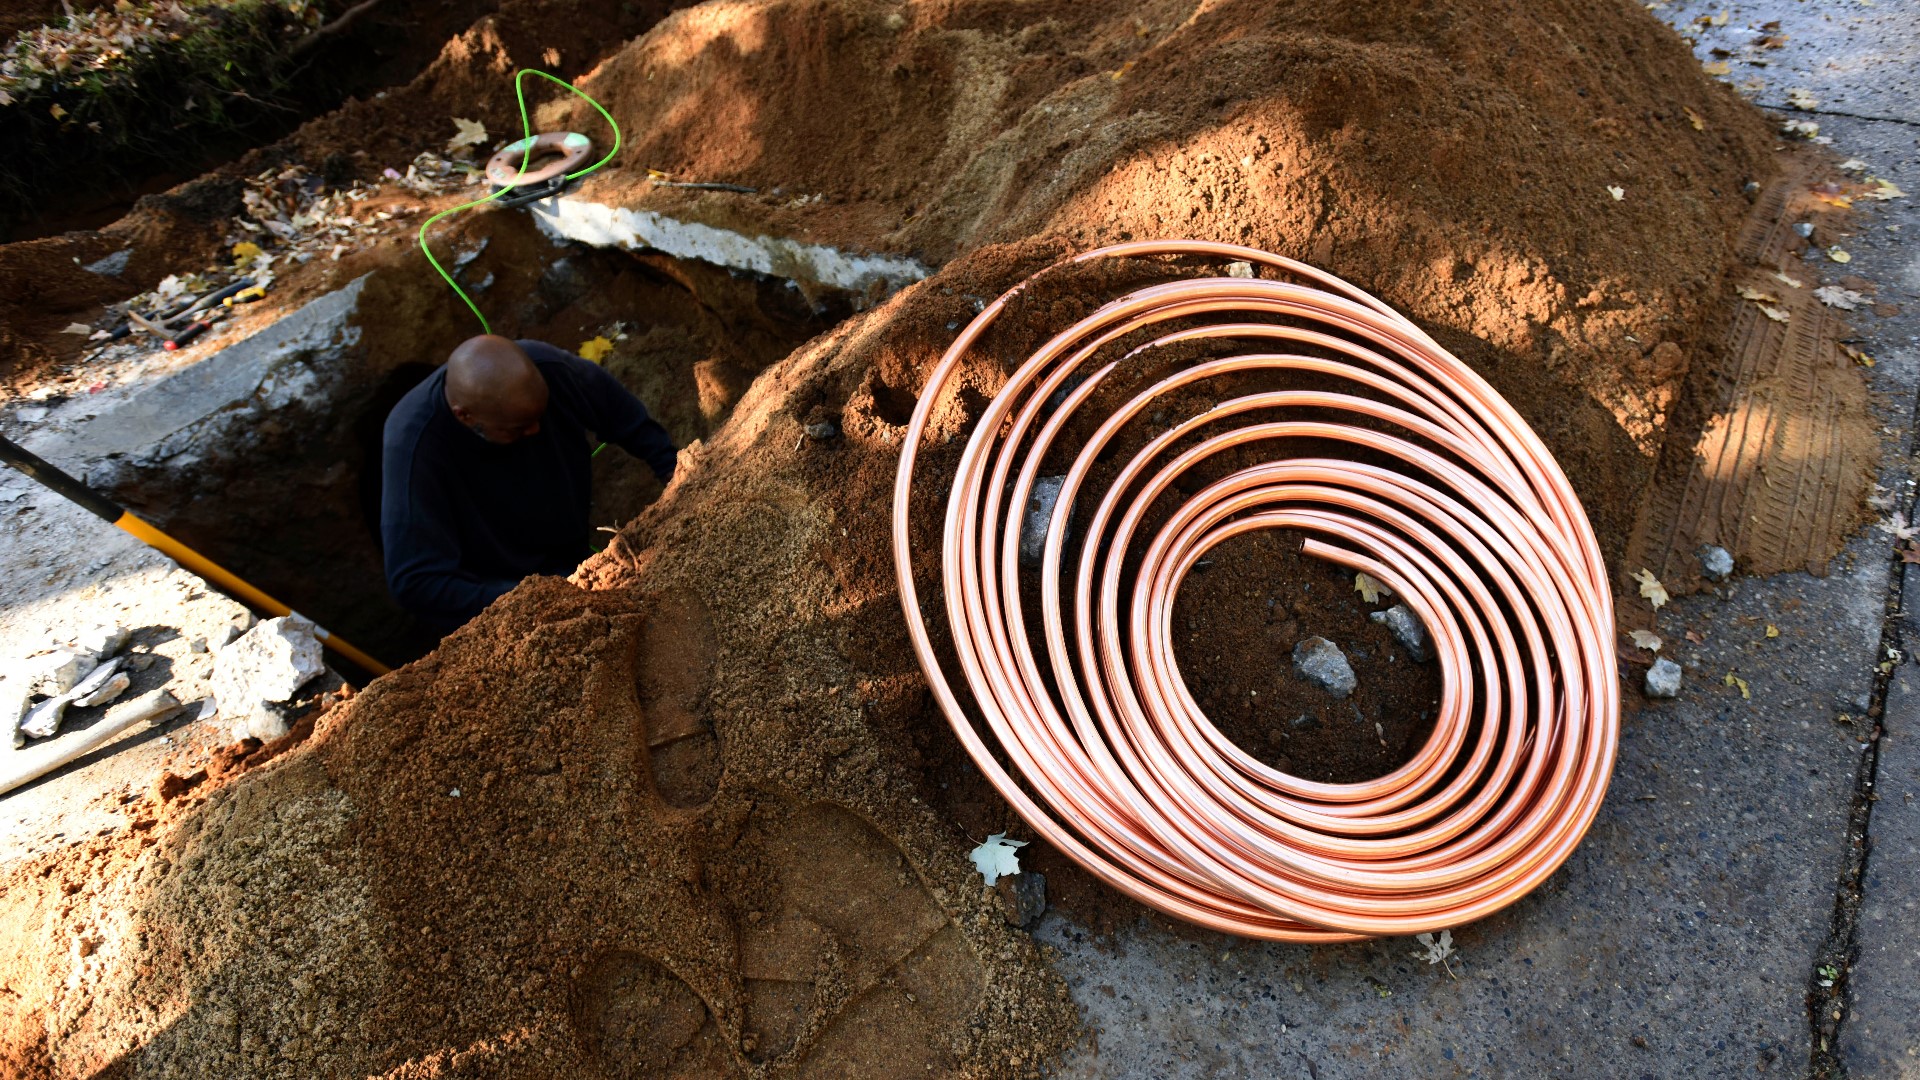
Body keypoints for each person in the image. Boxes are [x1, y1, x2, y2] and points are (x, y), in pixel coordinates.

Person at [380, 334, 677, 632]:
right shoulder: (414, 448)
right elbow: (416, 582)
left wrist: (676, 474)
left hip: (570, 546)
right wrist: (532, 601)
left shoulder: (546, 366)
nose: (536, 430)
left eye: (540, 415)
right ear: (466, 416)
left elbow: (622, 415)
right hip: (503, 588)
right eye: (518, 428)